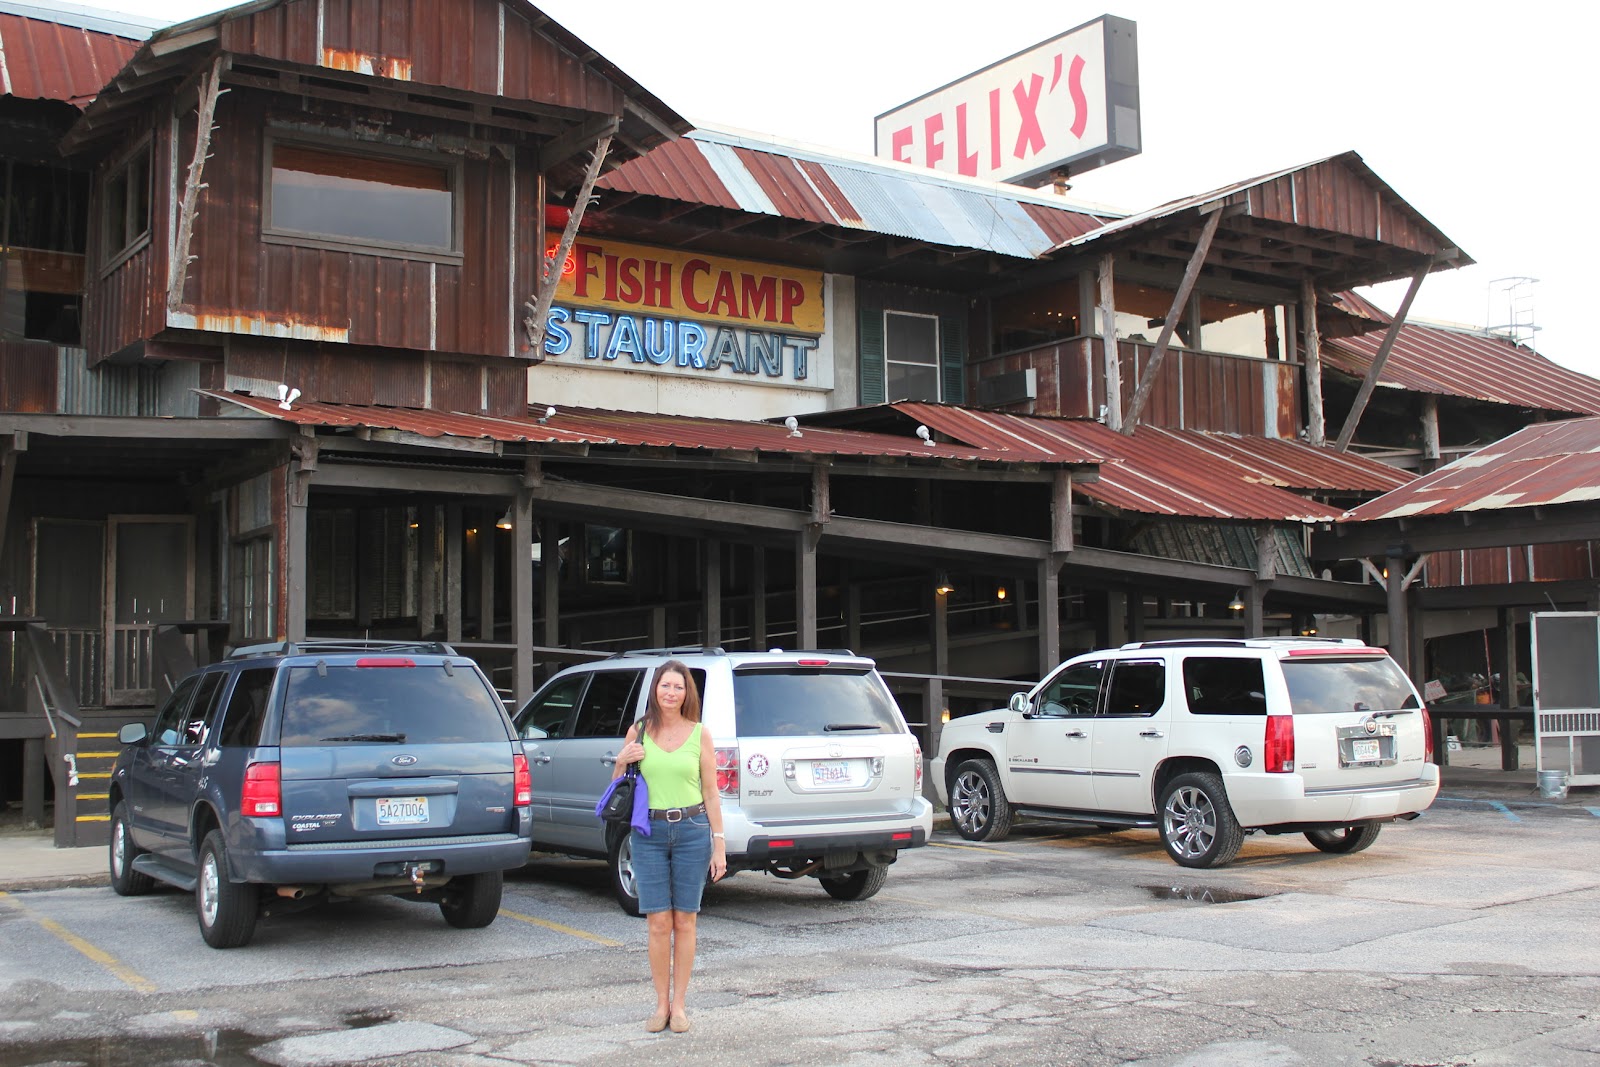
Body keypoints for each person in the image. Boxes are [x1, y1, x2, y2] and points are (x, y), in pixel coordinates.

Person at [612, 660, 726, 1034]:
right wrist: (621, 760)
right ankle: (661, 1005)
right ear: (655, 690)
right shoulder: (639, 731)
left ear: (687, 693)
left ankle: (680, 1006)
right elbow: (618, 787)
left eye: (678, 687)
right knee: (659, 922)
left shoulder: (700, 734)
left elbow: (711, 791)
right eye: (665, 686)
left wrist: (719, 844)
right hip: (649, 832)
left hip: (692, 829)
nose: (671, 693)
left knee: (685, 920)